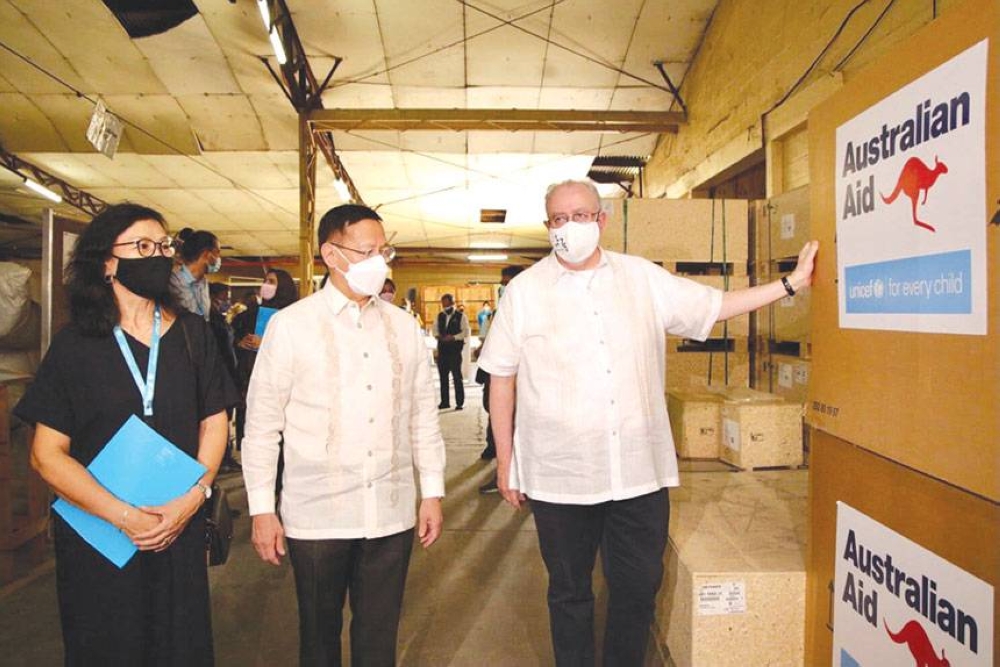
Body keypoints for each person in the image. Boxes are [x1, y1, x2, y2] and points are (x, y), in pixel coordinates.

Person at [477, 180, 819, 666]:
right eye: (557, 219)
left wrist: (790, 283)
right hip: (561, 475)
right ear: (547, 226)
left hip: (637, 473)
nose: (569, 227)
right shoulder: (524, 292)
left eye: (580, 216)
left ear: (602, 221)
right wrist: (506, 462)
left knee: (637, 588)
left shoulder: (642, 279)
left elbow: (714, 306)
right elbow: (502, 381)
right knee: (570, 593)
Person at [14, 203, 239, 665]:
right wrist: (123, 516)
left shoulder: (194, 335)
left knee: (181, 645)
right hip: (101, 538)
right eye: (142, 246)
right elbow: (46, 454)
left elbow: (214, 421)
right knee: (107, 646)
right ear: (107, 264)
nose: (157, 255)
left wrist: (193, 497)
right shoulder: (75, 345)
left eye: (163, 245)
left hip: (177, 527)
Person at [242, 204, 446, 667]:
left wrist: (431, 492)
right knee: (318, 635)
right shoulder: (292, 326)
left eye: (384, 250)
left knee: (378, 635)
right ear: (331, 254)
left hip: (389, 511)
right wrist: (261, 509)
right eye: (368, 251)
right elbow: (261, 425)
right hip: (318, 514)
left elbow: (421, 416)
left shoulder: (404, 327)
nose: (381, 261)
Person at [231, 269, 298, 452]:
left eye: (272, 281)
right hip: (252, 378)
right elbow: (235, 337)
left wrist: (267, 343)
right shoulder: (250, 314)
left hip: (282, 384)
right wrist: (240, 342)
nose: (266, 285)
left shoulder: (294, 316)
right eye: (265, 280)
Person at [209, 282, 242, 473]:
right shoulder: (211, 318)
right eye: (223, 296)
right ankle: (222, 458)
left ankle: (225, 456)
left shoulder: (218, 317)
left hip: (229, 369)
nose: (226, 300)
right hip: (222, 370)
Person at [170, 228, 222, 321]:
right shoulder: (172, 284)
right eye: (217, 252)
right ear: (206, 254)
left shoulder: (203, 284)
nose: (218, 258)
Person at [433, 293, 468, 410]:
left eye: (447, 302)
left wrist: (453, 337)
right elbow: (435, 330)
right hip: (443, 350)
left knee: (457, 377)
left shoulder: (461, 316)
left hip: (455, 351)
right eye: (443, 303)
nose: (444, 305)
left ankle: (459, 402)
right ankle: (445, 402)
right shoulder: (439, 316)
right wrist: (439, 337)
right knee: (443, 377)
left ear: (452, 302)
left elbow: (465, 332)